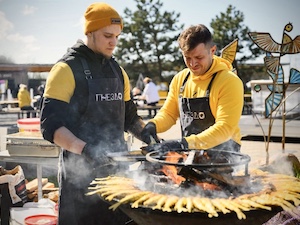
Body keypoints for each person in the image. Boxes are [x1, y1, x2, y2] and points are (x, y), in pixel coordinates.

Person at [40, 3, 145, 225]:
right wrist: (87, 150)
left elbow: (131, 119)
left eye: (117, 36)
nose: (113, 42)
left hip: (117, 175)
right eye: (108, 35)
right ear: (89, 32)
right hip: (80, 177)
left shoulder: (118, 71)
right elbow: (50, 126)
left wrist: (152, 138)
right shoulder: (65, 69)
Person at [141, 24, 244, 152]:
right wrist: (153, 125)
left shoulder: (229, 81)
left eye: (199, 57)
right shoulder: (180, 79)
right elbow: (169, 114)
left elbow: (225, 127)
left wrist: (183, 144)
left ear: (212, 51)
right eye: (187, 57)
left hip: (224, 153)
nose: (192, 64)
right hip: (190, 150)